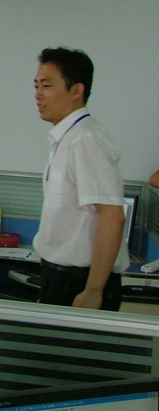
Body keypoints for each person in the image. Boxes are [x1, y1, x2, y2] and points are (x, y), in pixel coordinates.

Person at [33, 47, 128, 310]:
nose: (38, 94)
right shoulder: (67, 138)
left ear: (76, 91)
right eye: (36, 86)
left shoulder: (86, 139)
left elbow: (112, 217)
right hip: (60, 277)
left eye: (47, 86)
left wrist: (93, 290)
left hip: (80, 282)